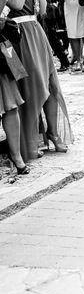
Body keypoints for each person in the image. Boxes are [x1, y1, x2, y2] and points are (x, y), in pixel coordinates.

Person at [0, 0, 73, 162]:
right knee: (33, 88)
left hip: (37, 34)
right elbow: (17, 4)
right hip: (21, 40)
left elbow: (41, 11)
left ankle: (53, 132)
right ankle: (31, 140)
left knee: (50, 86)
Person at [0, 10, 27, 173]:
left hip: (3, 58)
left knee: (11, 107)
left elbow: (15, 36)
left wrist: (4, 22)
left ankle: (16, 156)